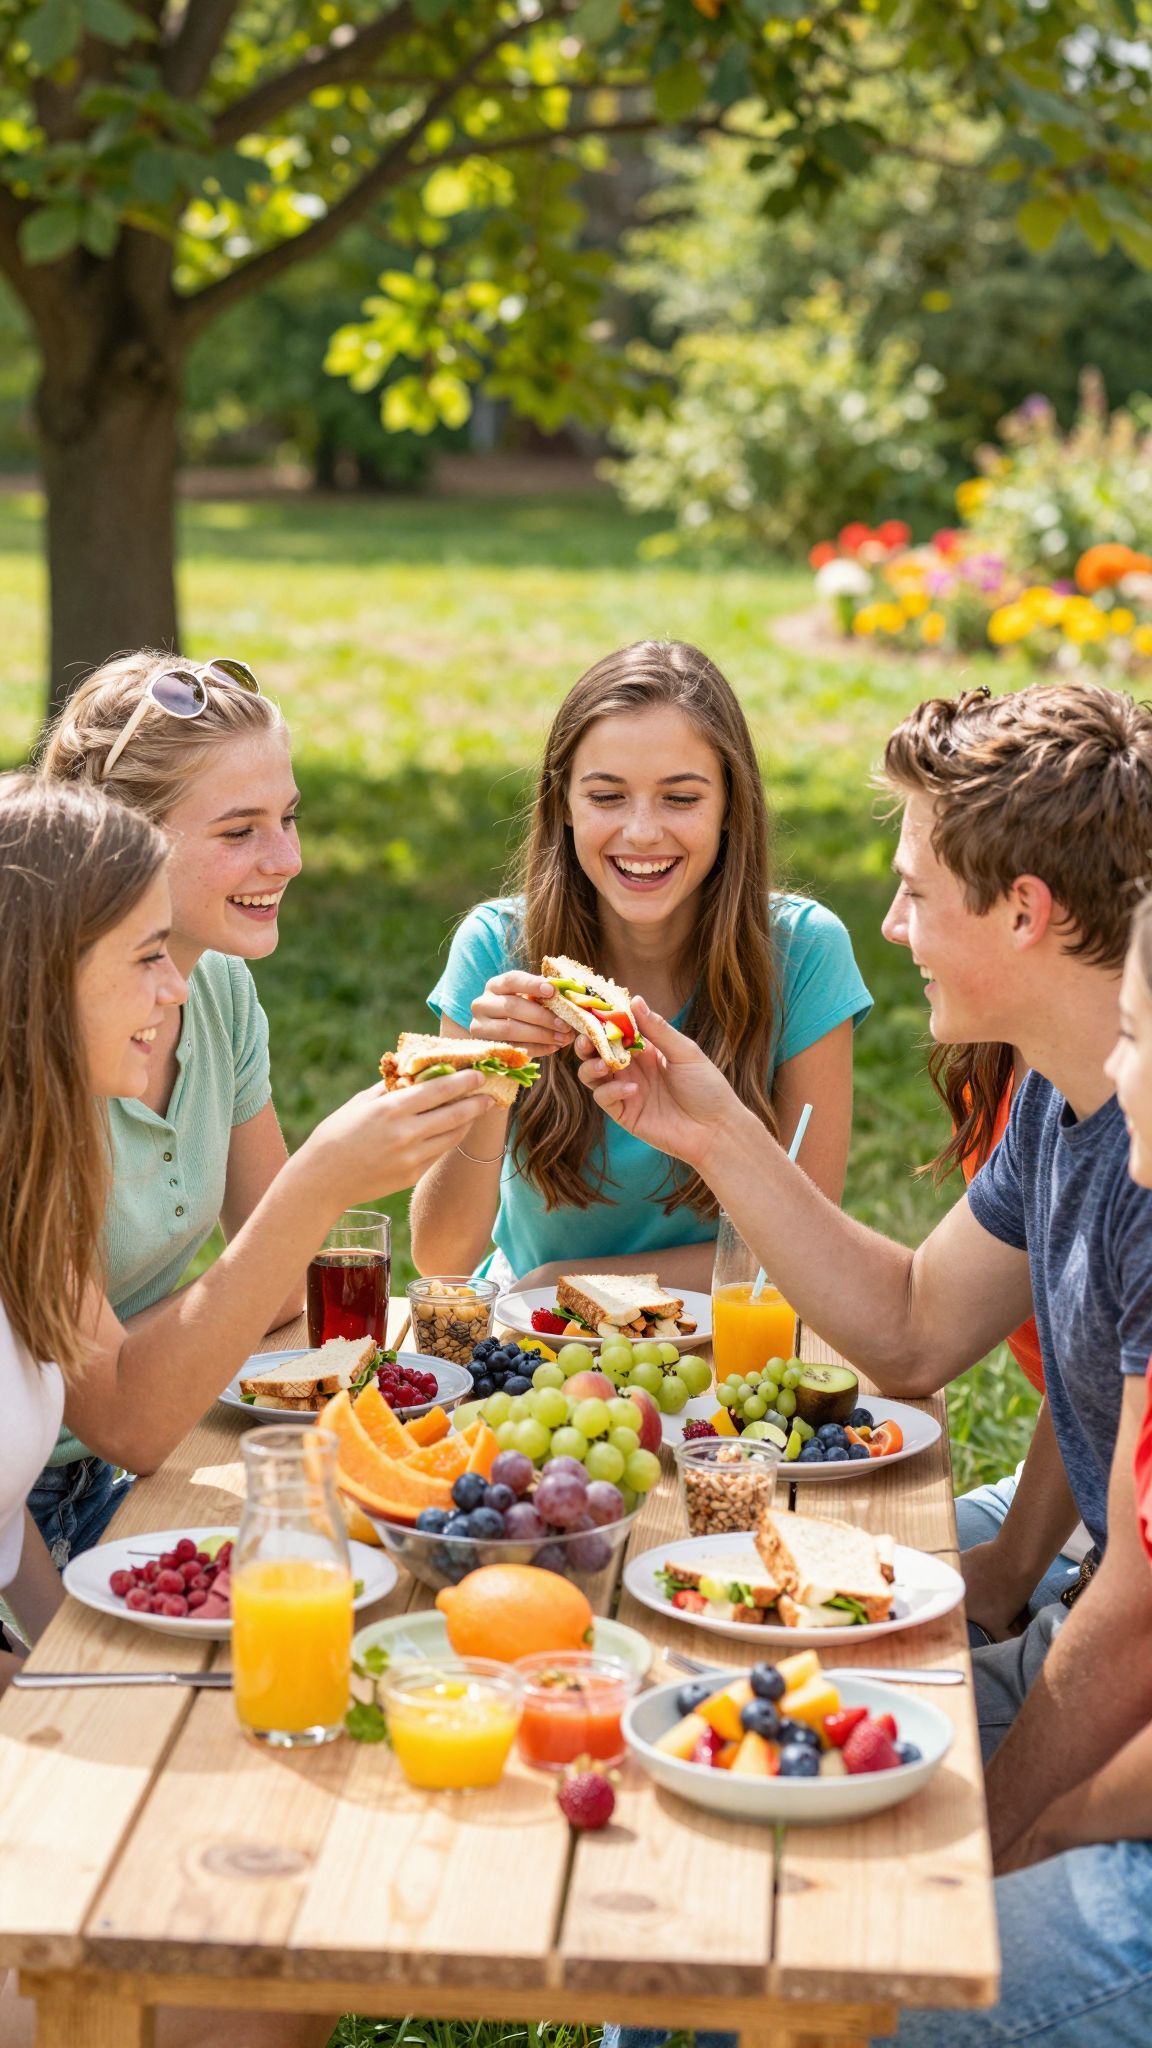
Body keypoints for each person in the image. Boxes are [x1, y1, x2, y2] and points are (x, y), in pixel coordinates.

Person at [591, 679, 1152, 2048]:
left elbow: (1133, 1621)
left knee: (764, 1991)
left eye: (914, 892)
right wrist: (716, 1130)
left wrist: (982, 1845)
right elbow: (909, 1323)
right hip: (1089, 1643)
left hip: (1126, 1781)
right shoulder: (1070, 1103)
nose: (893, 925)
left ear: (1024, 910)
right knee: (694, 1851)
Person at [0, 771, 488, 1623]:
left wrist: (56, 1675)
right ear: (44, 973)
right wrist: (319, 1181)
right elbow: (124, 1422)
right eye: (149, 955)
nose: (177, 987)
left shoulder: (35, 1147)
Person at [410, 640, 872, 1291]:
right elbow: (441, 1256)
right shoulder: (495, 948)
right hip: (533, 1338)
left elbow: (808, 1255)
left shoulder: (804, 952)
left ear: (730, 809)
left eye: (681, 799)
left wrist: (567, 1279)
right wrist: (490, 1078)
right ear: (563, 807)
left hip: (725, 1338)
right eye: (607, 797)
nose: (643, 833)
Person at [926, 1040, 1084, 1635]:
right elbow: (917, 1327)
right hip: (1069, 1497)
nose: (893, 937)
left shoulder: (1101, 1096)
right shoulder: (1006, 1081)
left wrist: (1012, 1566)